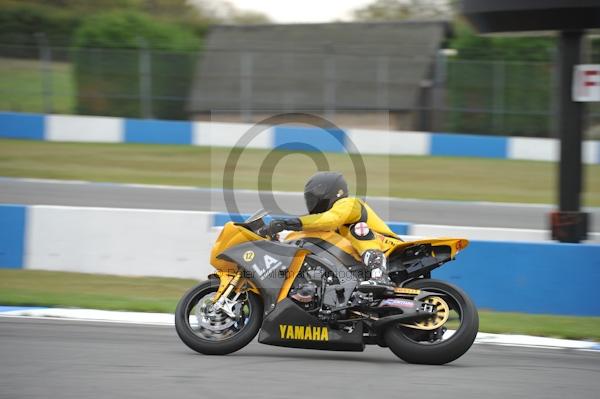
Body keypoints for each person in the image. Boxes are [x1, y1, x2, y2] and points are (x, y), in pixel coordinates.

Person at [267, 171, 400, 288]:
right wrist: (277, 240)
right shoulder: (330, 220)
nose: (312, 201)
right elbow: (309, 231)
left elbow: (329, 220)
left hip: (389, 249)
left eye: (315, 195)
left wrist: (291, 222)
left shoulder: (349, 204)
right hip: (361, 260)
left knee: (358, 230)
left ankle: (380, 275)